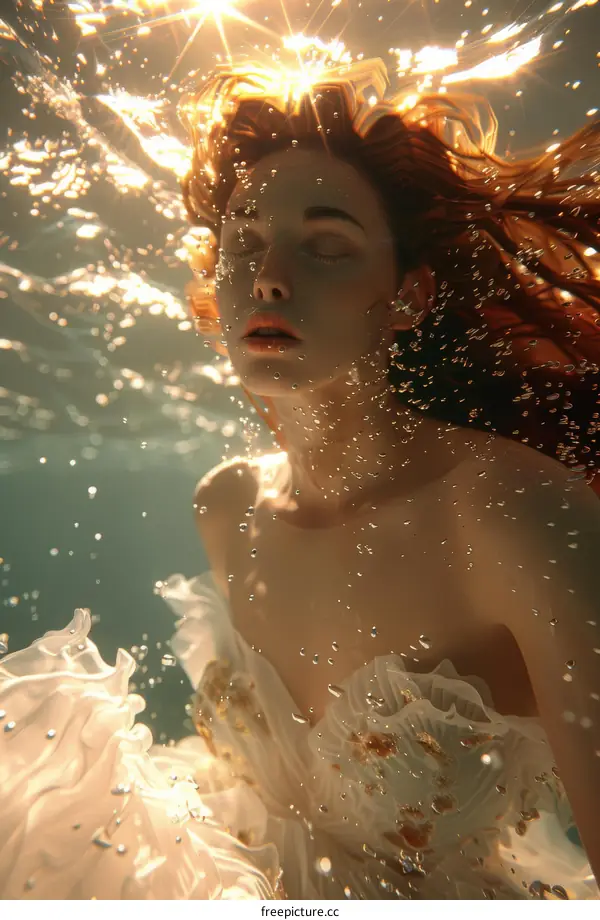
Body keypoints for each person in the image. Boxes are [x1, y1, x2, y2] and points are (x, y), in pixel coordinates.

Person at [1, 58, 600, 900]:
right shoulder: (227, 504)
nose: (270, 275)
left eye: (327, 244)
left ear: (409, 296)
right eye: (244, 240)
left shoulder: (513, 515)